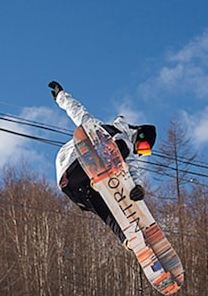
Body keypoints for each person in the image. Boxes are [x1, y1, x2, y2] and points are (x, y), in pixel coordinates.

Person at [50, 80, 156, 244]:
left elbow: (133, 170)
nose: (139, 152)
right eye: (143, 147)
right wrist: (61, 97)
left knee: (106, 209)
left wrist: (138, 188)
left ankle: (127, 239)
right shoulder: (111, 132)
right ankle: (98, 172)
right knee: (123, 147)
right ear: (138, 134)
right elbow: (78, 112)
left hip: (71, 187)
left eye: (145, 152)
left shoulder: (126, 150)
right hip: (74, 163)